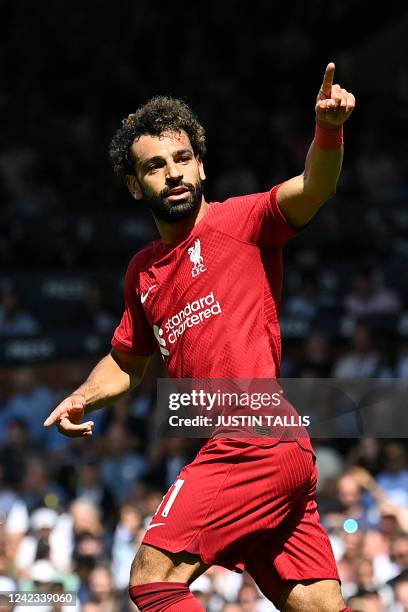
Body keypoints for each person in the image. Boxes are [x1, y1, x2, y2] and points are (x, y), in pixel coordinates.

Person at [44, 62, 355, 611]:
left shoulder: (244, 221)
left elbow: (316, 186)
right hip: (272, 454)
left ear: (202, 166)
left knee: (150, 580)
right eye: (156, 166)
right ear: (135, 186)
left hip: (252, 438)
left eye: (183, 158)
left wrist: (327, 130)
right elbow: (126, 363)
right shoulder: (141, 272)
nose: (174, 173)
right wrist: (83, 395)